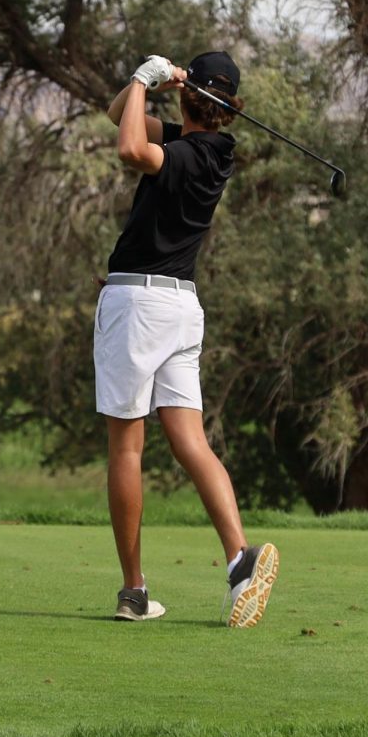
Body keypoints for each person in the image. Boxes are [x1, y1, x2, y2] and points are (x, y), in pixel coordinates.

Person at [95, 51, 279, 626]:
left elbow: (128, 147)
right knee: (190, 442)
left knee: (127, 447)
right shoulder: (213, 149)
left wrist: (143, 78)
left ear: (186, 97)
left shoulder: (184, 152)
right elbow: (115, 115)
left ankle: (133, 590)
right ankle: (238, 562)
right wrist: (146, 88)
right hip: (181, 307)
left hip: (136, 303)